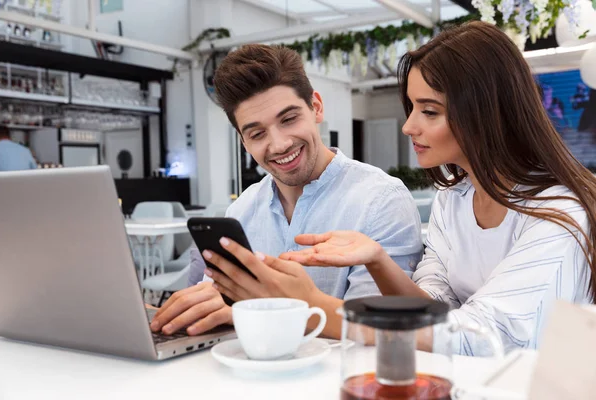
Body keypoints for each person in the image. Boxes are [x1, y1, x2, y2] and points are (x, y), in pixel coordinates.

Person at [206, 21, 596, 356]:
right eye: (411, 108)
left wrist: (312, 307)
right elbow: (432, 312)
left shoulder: (560, 211)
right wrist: (378, 260)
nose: (409, 126)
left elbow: (484, 336)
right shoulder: (454, 199)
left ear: (486, 110)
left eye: (429, 111)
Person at [149, 44, 423, 339]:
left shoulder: (381, 200)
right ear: (243, 142)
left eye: (289, 119)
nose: (278, 145)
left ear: (316, 107)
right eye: (257, 134)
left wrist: (255, 313)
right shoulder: (240, 211)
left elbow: (380, 333)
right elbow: (215, 302)